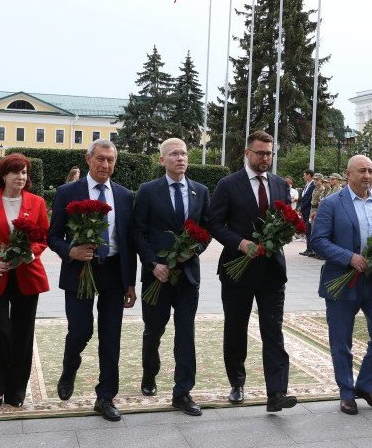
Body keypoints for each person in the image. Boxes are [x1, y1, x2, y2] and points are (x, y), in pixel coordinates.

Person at [48, 139, 137, 421]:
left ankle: (105, 396)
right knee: (81, 330)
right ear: (88, 159)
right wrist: (70, 250)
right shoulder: (67, 192)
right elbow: (52, 236)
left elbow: (129, 242)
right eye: (100, 159)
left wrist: (130, 283)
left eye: (110, 160)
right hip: (78, 271)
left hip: (112, 272)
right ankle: (69, 366)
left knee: (111, 336)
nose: (105, 165)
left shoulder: (124, 196)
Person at [208, 130, 296, 412]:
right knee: (236, 328)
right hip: (237, 270)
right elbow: (214, 224)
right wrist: (240, 242)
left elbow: (287, 222)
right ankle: (237, 381)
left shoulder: (281, 184)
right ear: (247, 153)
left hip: (272, 270)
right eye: (260, 153)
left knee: (274, 331)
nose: (265, 158)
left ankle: (277, 393)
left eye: (269, 153)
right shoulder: (228, 184)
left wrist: (282, 235)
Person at [133, 138, 210, 416]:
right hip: (157, 277)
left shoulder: (200, 191)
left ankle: (183, 391)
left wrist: (192, 251)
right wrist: (154, 264)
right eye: (174, 154)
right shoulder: (148, 191)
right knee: (154, 330)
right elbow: (138, 232)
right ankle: (149, 373)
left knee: (185, 333)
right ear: (161, 160)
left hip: (188, 276)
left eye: (184, 153)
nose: (181, 158)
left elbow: (206, 230)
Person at [311, 155, 372, 415]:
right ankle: (347, 392)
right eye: (362, 171)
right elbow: (318, 241)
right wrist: (349, 257)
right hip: (342, 281)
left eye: (370, 171)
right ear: (348, 174)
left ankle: (367, 386)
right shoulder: (331, 204)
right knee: (341, 341)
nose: (367, 175)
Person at [0, 153, 50, 409]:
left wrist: (28, 253)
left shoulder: (36, 202)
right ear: (3, 175)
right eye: (16, 172)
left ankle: (16, 391)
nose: (21, 177)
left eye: (25, 172)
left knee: (23, 335)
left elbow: (42, 238)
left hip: (27, 275)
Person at [298, 169, 316, 256]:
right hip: (304, 210)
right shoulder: (307, 185)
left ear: (309, 175)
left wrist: (302, 207)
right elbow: (303, 197)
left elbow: (309, 199)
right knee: (306, 230)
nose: (303, 177)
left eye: (304, 175)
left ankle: (310, 249)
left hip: (309, 210)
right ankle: (308, 248)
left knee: (309, 229)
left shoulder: (313, 185)